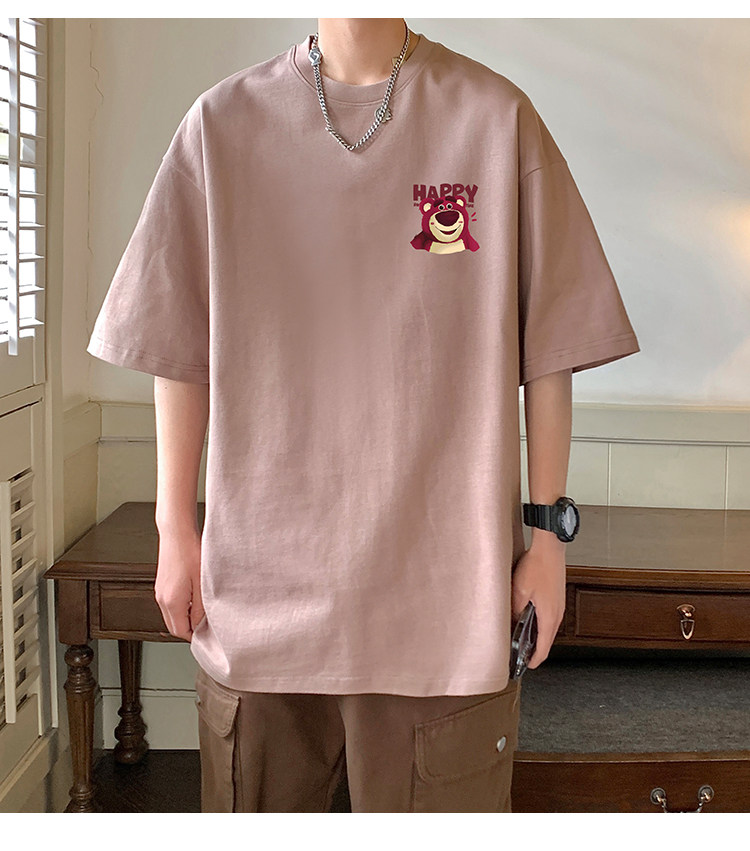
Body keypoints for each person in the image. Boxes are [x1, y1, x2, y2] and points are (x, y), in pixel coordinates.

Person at [86, 18, 640, 812]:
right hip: (261, 594)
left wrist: (548, 541)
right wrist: (175, 526)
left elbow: (550, 348)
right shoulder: (221, 124)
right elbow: (176, 344)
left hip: (445, 603)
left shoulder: (494, 118)